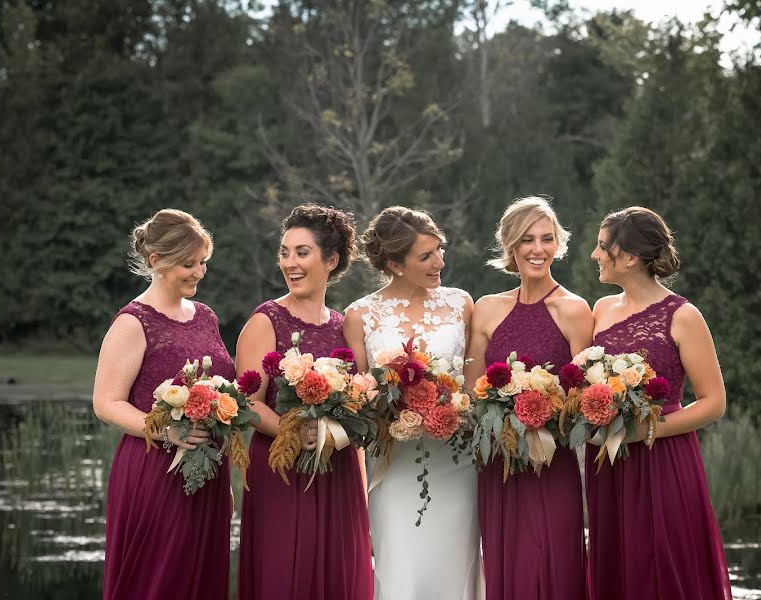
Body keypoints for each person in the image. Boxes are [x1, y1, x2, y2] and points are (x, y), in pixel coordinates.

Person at [586, 206, 732, 599]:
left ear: (630, 257)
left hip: (663, 457)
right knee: (617, 565)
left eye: (603, 247)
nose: (595, 255)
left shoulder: (683, 316)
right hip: (609, 463)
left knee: (663, 564)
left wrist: (646, 430)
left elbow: (714, 402)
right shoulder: (600, 309)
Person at [343, 206, 483, 600]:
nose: (440, 261)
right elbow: (357, 397)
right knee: (400, 567)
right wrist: (388, 406)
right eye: (426, 256)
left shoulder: (461, 303)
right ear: (394, 263)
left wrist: (452, 405)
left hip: (456, 459)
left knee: (455, 569)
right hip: (393, 462)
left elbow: (473, 387)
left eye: (440, 250)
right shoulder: (360, 315)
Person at [94, 209, 234, 599]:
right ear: (156, 261)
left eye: (203, 262)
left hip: (208, 470)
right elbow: (106, 402)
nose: (198, 272)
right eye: (188, 264)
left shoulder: (205, 316)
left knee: (202, 577)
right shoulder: (133, 322)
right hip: (155, 469)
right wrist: (167, 430)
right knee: (157, 580)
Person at [235, 204, 372, 599]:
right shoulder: (266, 321)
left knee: (338, 576)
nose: (289, 263)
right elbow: (246, 402)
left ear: (331, 260)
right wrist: (296, 433)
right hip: (281, 468)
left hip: (338, 471)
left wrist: (339, 432)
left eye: (301, 252)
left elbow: (359, 399)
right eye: (284, 252)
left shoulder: (344, 325)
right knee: (285, 575)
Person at [463, 196, 593, 600]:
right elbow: (472, 389)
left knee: (555, 562)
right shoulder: (486, 309)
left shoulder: (575, 310)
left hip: (553, 464)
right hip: (498, 463)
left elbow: (583, 398)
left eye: (547, 238)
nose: (537, 249)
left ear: (558, 244)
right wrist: (502, 417)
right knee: (508, 570)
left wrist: (543, 414)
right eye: (527, 240)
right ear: (510, 246)